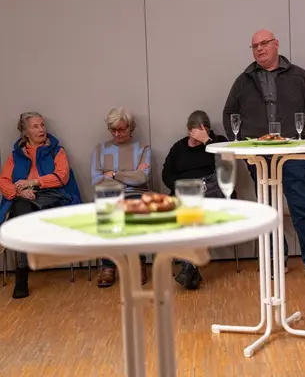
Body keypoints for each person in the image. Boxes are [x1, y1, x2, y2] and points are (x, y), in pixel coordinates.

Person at [222, 29, 305, 284]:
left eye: (264, 43)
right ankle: (275, 258)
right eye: (255, 46)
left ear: (276, 44)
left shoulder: (300, 76)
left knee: (302, 206)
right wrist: (242, 147)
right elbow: (229, 114)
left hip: (293, 153)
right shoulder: (243, 80)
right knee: (267, 209)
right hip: (259, 155)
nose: (259, 49)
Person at [0, 112, 82, 299]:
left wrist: (33, 183)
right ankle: (22, 273)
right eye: (35, 126)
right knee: (21, 208)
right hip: (23, 199)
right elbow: (4, 182)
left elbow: (62, 177)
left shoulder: (56, 151)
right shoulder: (15, 155)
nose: (41, 129)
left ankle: (21, 275)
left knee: (20, 215)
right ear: (25, 132)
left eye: (42, 125)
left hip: (54, 197)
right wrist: (19, 192)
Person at [161, 110, 228, 289]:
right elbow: (166, 174)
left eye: (202, 133)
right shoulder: (179, 148)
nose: (197, 138)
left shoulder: (218, 143)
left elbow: (227, 166)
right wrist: (181, 188)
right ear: (189, 130)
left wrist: (207, 141)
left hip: (211, 193)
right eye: (195, 134)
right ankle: (190, 268)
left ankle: (188, 266)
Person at [92, 107, 151, 288]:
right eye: (113, 130)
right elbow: (96, 180)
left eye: (121, 129)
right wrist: (130, 176)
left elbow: (142, 178)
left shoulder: (143, 149)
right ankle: (108, 266)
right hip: (108, 195)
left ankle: (137, 261)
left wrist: (114, 174)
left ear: (130, 127)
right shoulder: (100, 149)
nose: (117, 134)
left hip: (136, 194)